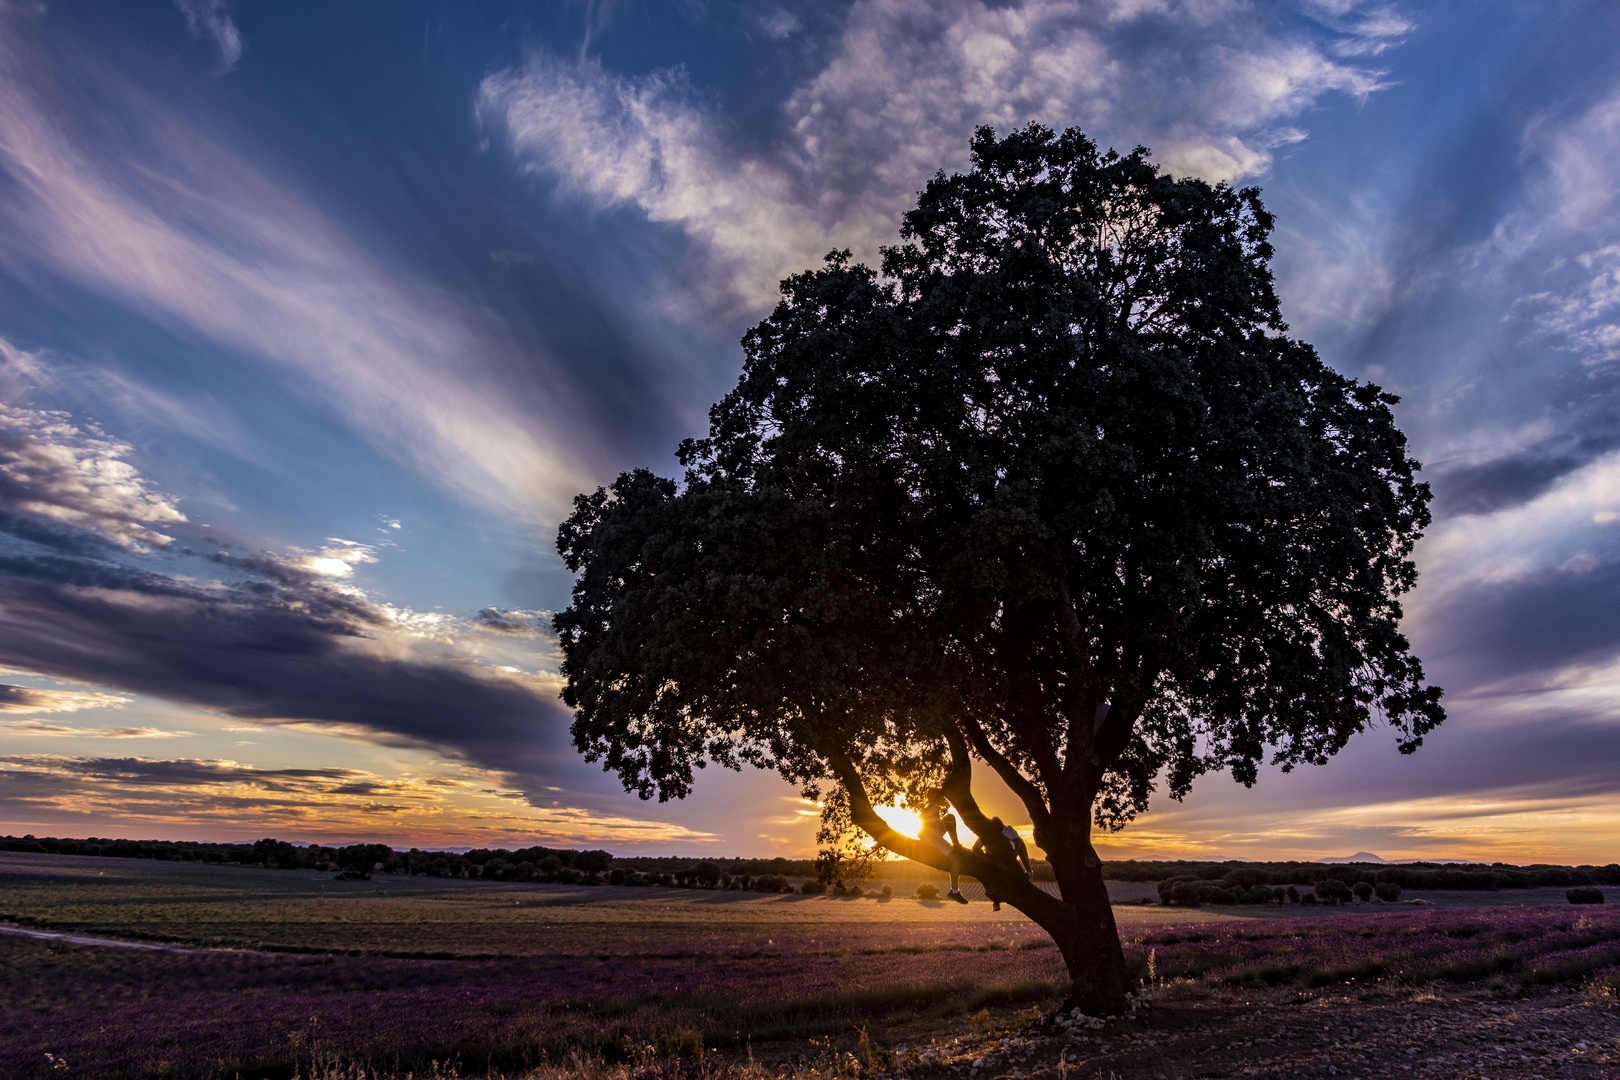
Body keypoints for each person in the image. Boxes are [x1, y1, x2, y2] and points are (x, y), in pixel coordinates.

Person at [918, 789, 969, 903]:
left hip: (934, 837)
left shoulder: (934, 806)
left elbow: (923, 816)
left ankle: (956, 844)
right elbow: (923, 816)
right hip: (933, 839)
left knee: (950, 818)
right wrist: (923, 834)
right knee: (956, 859)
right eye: (942, 797)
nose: (944, 799)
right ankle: (954, 892)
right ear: (937, 797)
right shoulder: (934, 805)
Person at [972, 817, 1033, 912]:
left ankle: (1028, 872)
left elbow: (1019, 843)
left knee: (1020, 843)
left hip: (1010, 855)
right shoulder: (986, 834)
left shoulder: (1008, 831)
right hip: (995, 857)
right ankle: (996, 900)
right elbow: (975, 848)